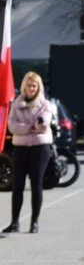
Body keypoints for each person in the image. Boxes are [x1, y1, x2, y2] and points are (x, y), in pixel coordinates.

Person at [3, 72, 56, 234]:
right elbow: (12, 125)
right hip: (20, 148)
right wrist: (29, 128)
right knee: (17, 184)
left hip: (40, 148)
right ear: (24, 86)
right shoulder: (16, 104)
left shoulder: (45, 104)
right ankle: (14, 222)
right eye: (28, 85)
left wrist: (30, 126)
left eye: (34, 86)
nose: (31, 89)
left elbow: (44, 123)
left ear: (38, 87)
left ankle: (34, 221)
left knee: (36, 183)